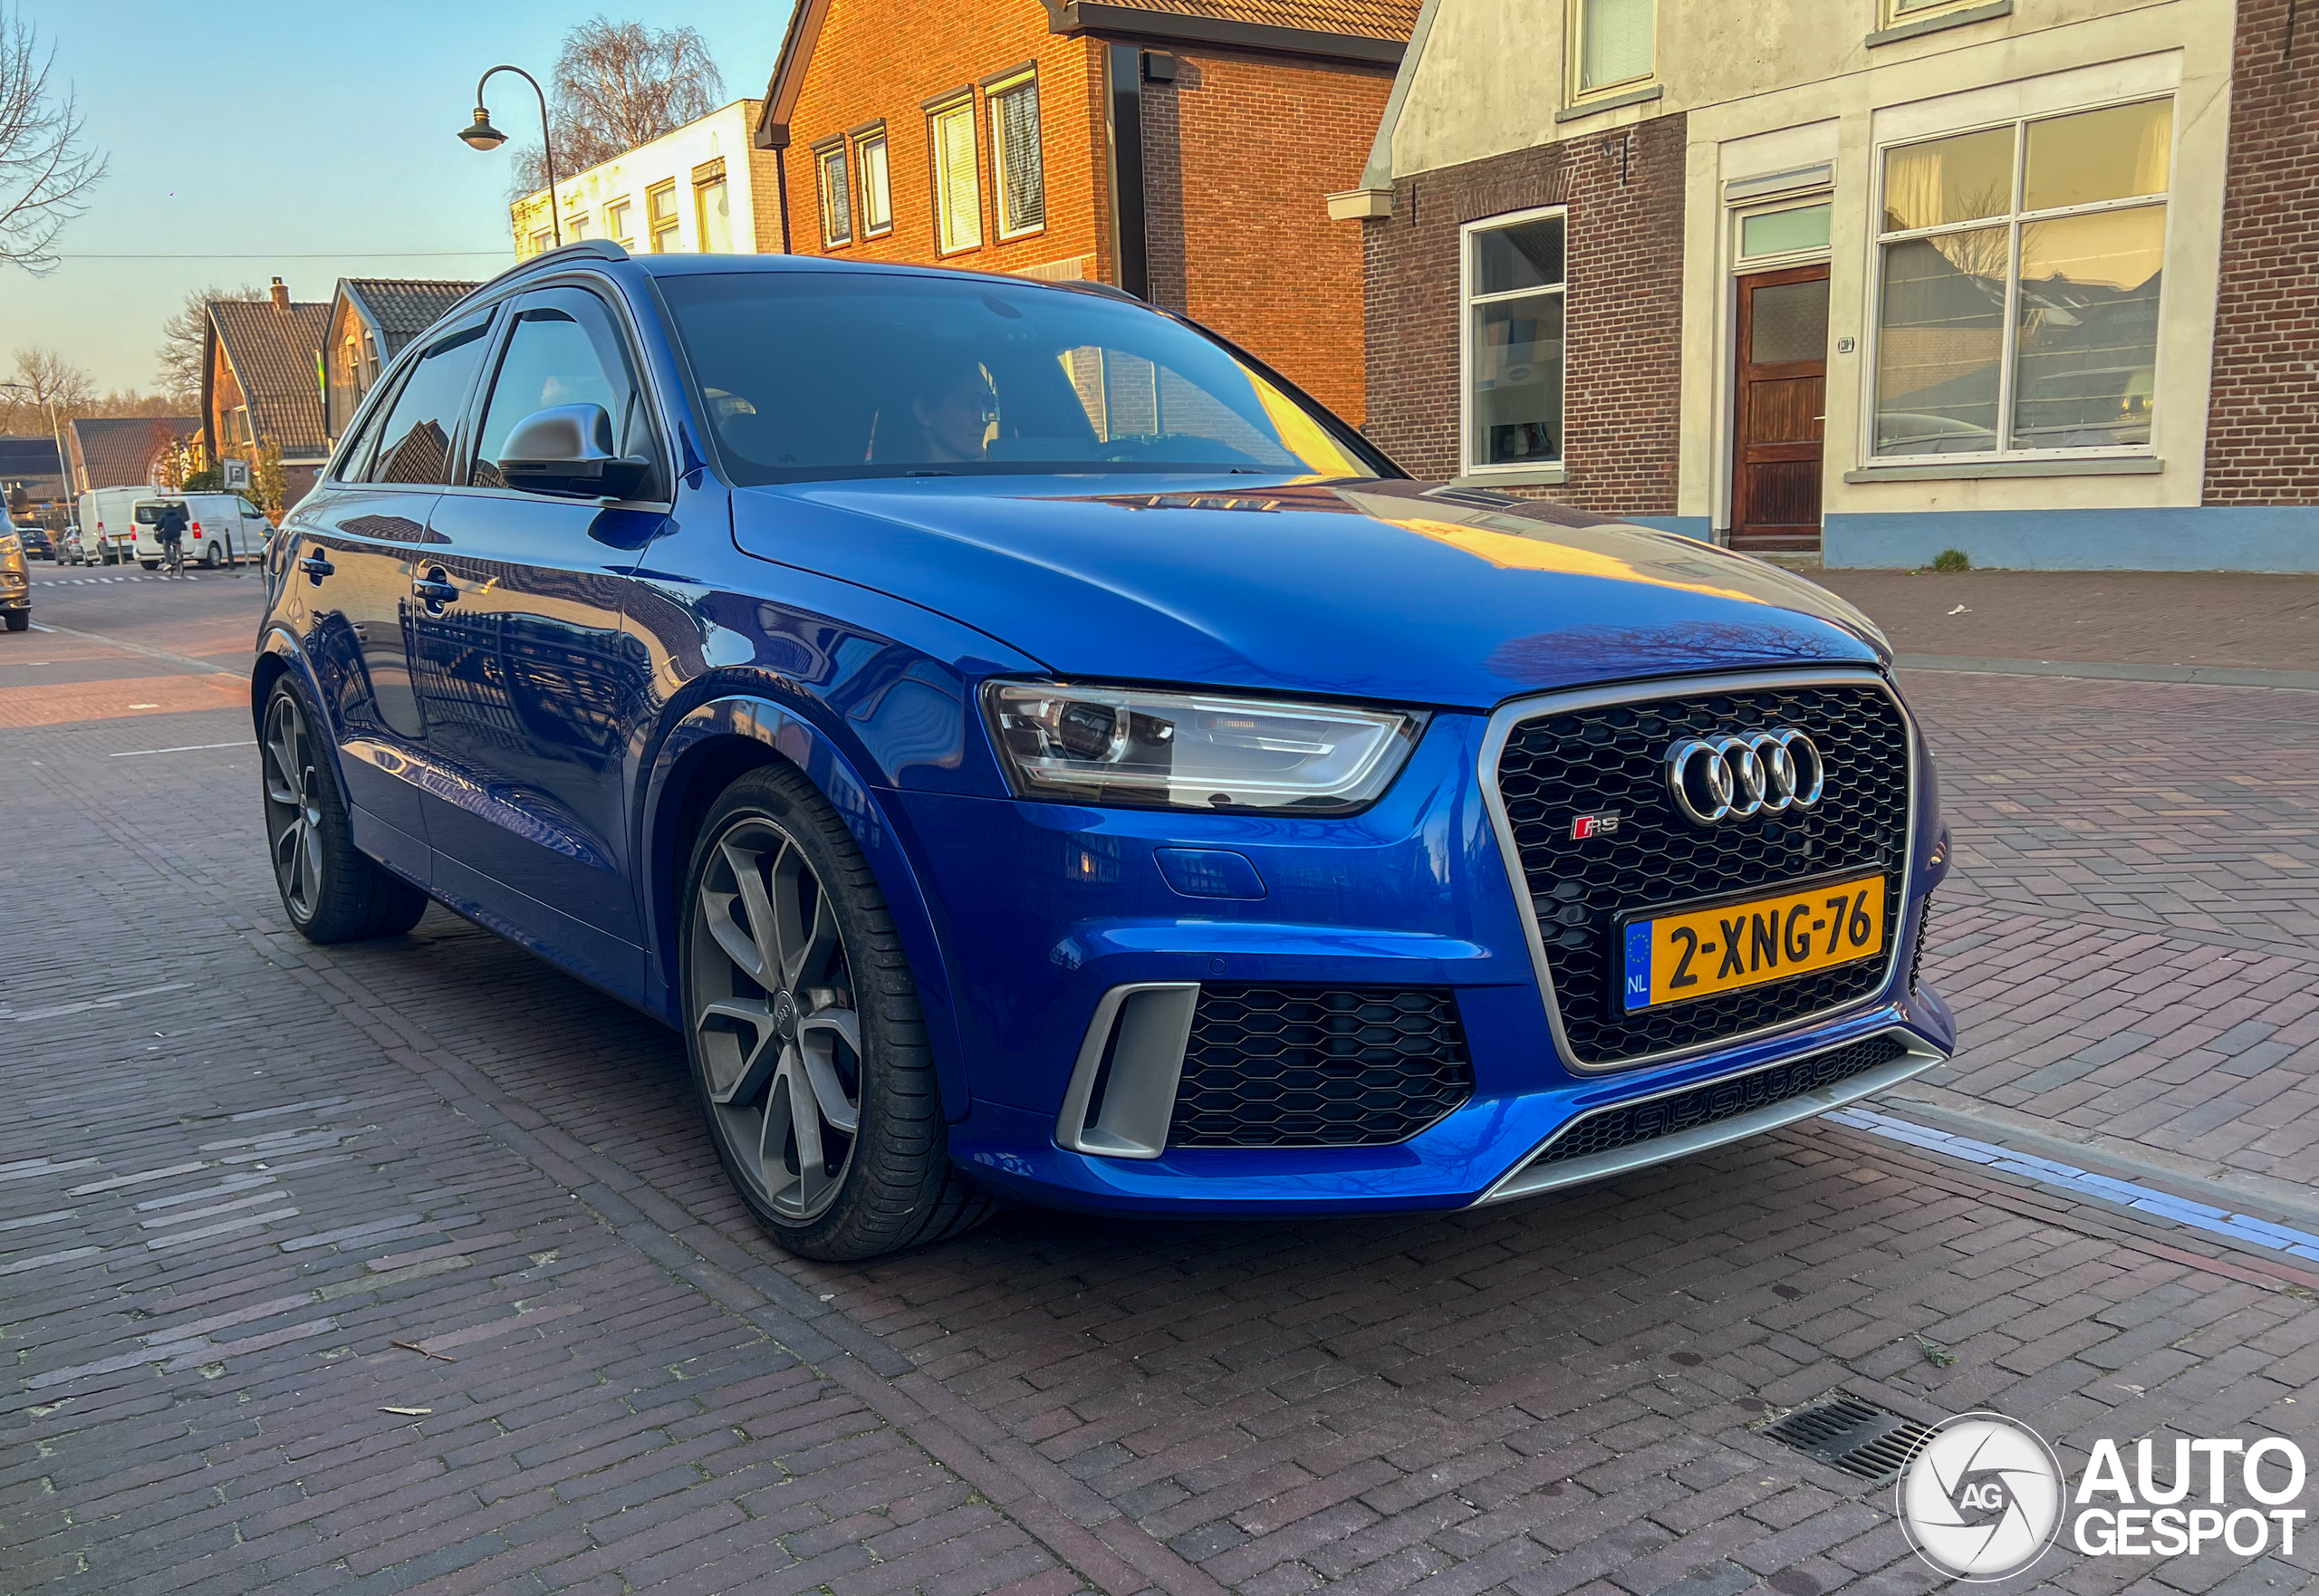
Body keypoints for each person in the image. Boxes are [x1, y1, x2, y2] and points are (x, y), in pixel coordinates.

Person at [154, 500, 188, 575]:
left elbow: (159, 525)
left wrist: (156, 529)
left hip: (167, 535)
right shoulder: (178, 516)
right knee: (177, 542)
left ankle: (168, 563)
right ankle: (179, 554)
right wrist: (182, 528)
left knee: (166, 548)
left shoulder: (164, 516)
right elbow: (184, 526)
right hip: (177, 535)